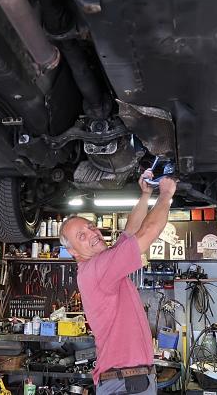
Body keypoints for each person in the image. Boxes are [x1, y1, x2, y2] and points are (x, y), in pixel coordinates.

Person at [58, 169, 177, 395]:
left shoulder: (102, 263)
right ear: (72, 251)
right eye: (82, 236)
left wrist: (146, 194)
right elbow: (148, 232)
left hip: (127, 380)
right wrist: (165, 196)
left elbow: (130, 232)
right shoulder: (97, 269)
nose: (93, 233)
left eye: (90, 227)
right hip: (126, 383)